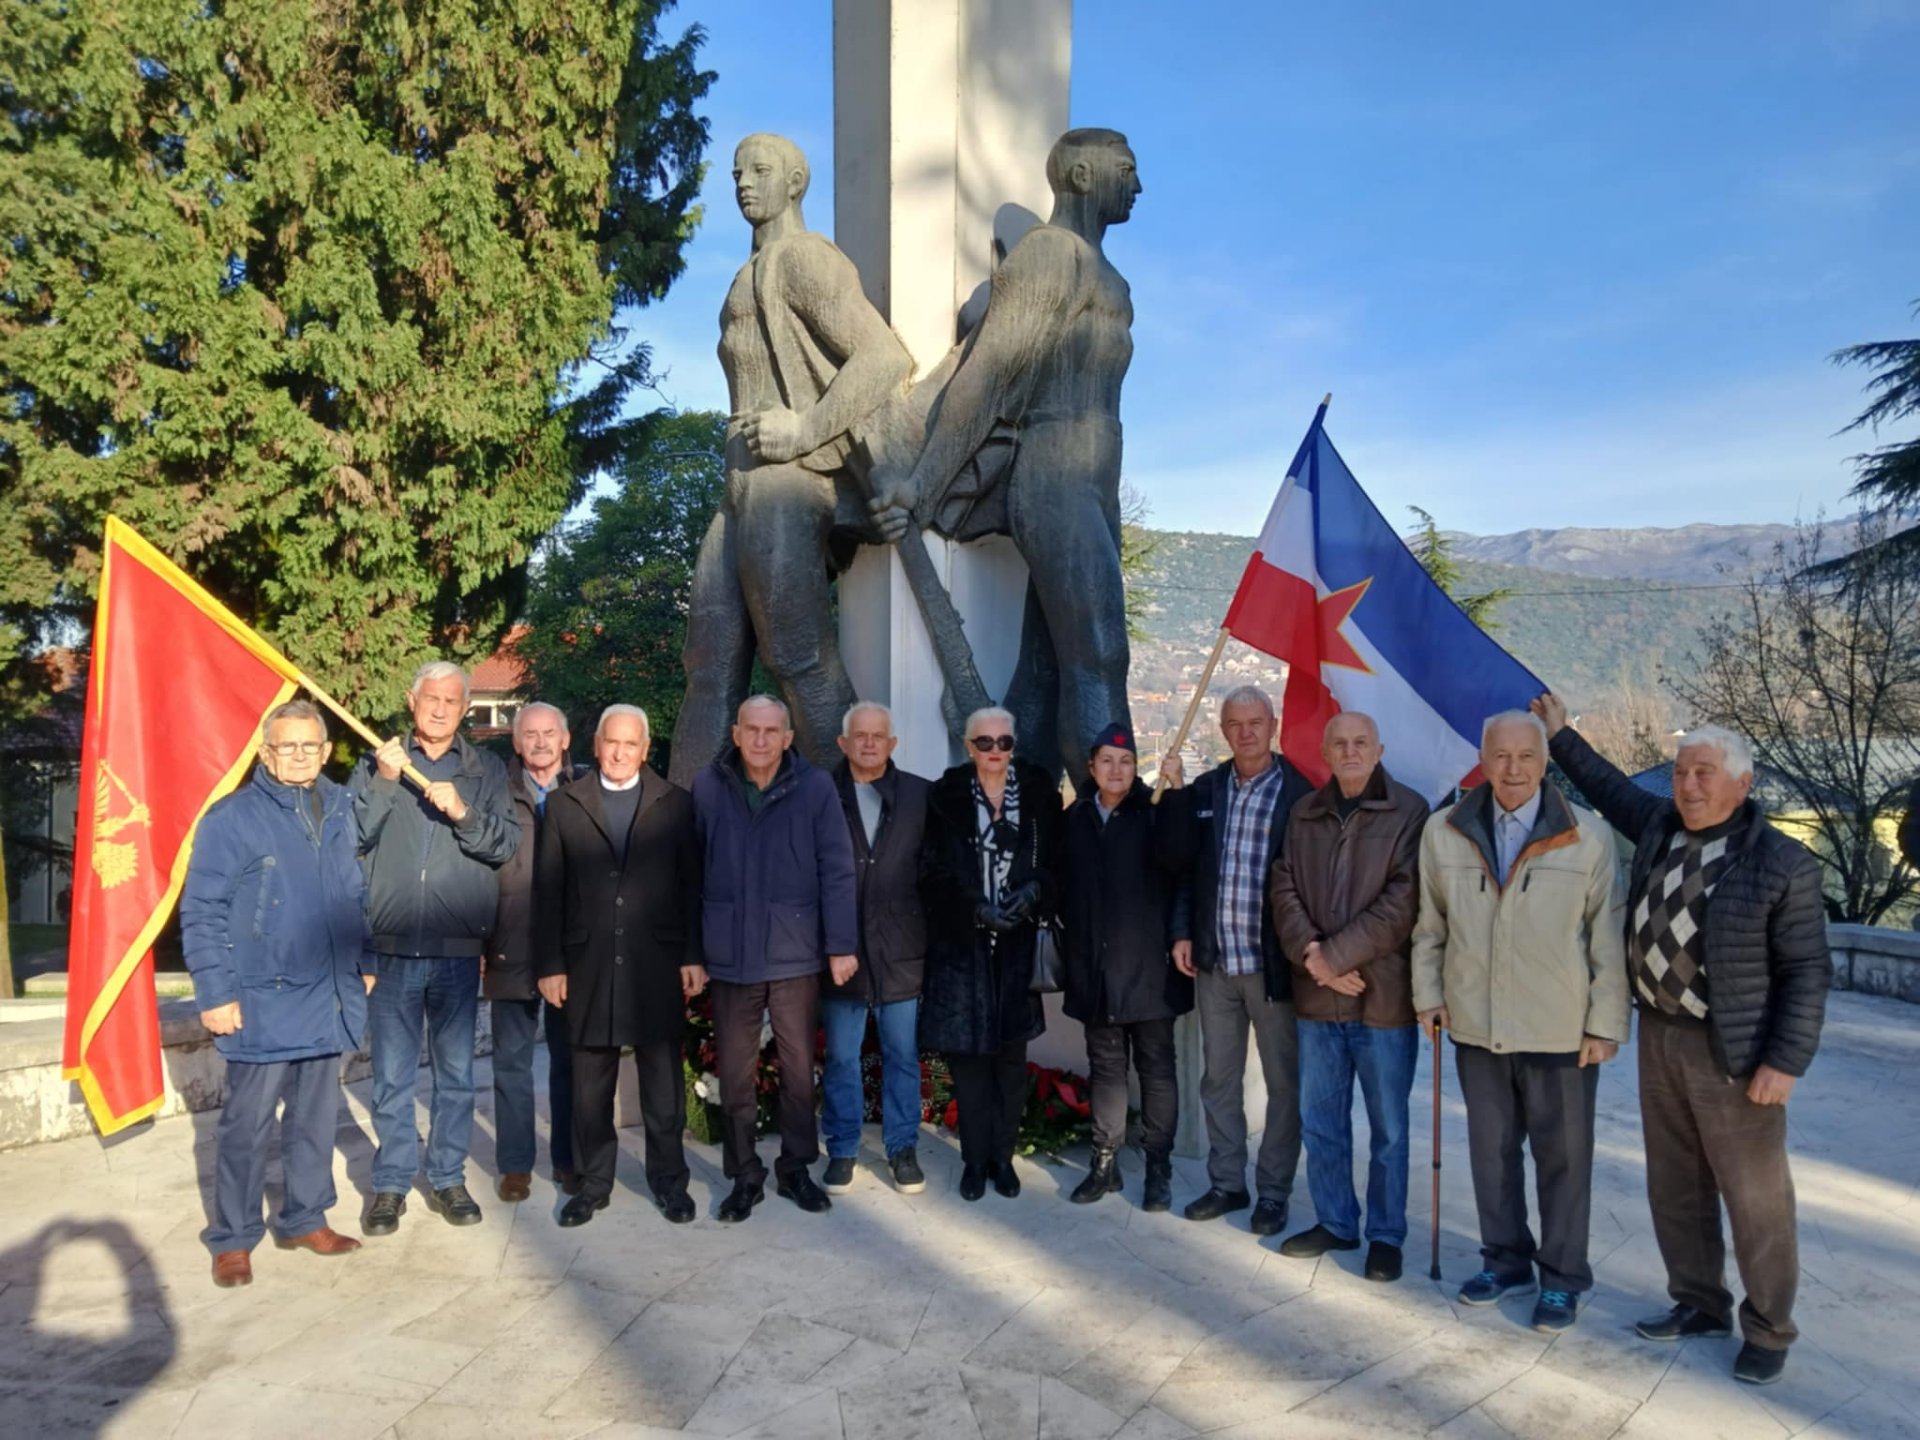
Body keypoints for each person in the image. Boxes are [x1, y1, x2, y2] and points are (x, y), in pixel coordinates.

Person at [1535, 694, 1830, 1384]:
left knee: (1755, 1200)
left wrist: (1784, 1062)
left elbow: (1808, 972)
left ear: (1742, 784)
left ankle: (1769, 1328)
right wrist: (1561, 737)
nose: (1689, 786)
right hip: (1661, 1036)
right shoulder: (1662, 827)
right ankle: (1697, 1301)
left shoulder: (1781, 864)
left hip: (1735, 1053)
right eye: (1681, 773)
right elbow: (1609, 790)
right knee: (1676, 1188)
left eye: (1704, 774)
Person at [870, 130, 1143, 774]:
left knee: (1047, 670)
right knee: (1100, 649)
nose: (1138, 186)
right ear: (1080, 173)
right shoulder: (1050, 255)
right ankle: (1112, 824)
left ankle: (1027, 824)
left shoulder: (1112, 279)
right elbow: (987, 376)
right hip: (1053, 474)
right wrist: (922, 487)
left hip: (1096, 480)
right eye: (1126, 170)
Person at [670, 134, 915, 779]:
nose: (744, 183)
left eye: (760, 170)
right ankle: (684, 831)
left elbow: (884, 357)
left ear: (797, 181)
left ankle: (854, 811)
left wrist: (805, 430)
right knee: (708, 660)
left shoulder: (806, 258)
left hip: (785, 482)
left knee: (796, 657)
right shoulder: (744, 275)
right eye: (736, 173)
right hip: (739, 487)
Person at [1411, 710, 1628, 1333]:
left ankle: (1561, 1278)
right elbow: (1429, 929)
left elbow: (1607, 940)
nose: (1512, 770)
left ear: (1544, 761)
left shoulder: (1588, 837)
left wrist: (1604, 1024)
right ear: (1483, 759)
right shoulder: (1443, 832)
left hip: (1560, 1030)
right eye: (1500, 757)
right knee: (1491, 1155)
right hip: (1476, 1025)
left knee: (1563, 1161)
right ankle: (1504, 1261)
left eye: (1525, 757)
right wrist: (1428, 997)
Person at [181, 700, 373, 1287]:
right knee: (248, 1123)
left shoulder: (343, 807)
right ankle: (233, 1238)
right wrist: (215, 991)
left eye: (309, 745)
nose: (298, 756)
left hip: (328, 991)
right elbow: (202, 910)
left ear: (326, 750)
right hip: (260, 997)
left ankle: (304, 1218)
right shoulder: (231, 818)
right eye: (286, 746)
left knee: (317, 1117)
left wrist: (364, 961)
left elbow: (355, 893)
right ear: (265, 753)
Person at [352, 661, 519, 1235]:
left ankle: (447, 1176)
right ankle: (392, 1183)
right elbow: (352, 836)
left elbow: (505, 845)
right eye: (432, 698)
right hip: (392, 950)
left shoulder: (487, 770)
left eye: (452, 700)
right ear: (412, 700)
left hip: (454, 952)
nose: (441, 708)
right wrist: (382, 781)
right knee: (392, 1078)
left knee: (455, 1076)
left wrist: (463, 813)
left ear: (465, 708)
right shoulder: (379, 764)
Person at [1269, 712, 1429, 1282]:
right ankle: (1336, 1221)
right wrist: (1314, 955)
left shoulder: (1411, 812)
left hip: (1383, 1002)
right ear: (1327, 752)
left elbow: (1403, 903)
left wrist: (1333, 957)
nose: (1351, 750)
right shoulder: (1304, 811)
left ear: (1379, 748)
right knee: (1322, 1122)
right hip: (1317, 1002)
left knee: (1388, 1128)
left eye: (1361, 741)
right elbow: (1283, 886)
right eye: (1340, 743)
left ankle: (1386, 1234)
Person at [535, 706, 703, 1228]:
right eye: (612, 742)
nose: (620, 752)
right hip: (588, 964)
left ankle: (669, 1182)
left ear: (645, 749)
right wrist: (550, 964)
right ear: (596, 742)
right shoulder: (564, 805)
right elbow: (548, 891)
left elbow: (694, 888)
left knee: (662, 1089)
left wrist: (695, 955)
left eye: (631, 744)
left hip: (658, 962)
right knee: (589, 1088)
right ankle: (591, 1185)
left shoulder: (676, 804)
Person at [692, 694, 857, 1221]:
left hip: (795, 954)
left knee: (796, 1071)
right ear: (736, 733)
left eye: (772, 731)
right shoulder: (708, 786)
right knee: (736, 1075)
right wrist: (692, 953)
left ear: (788, 738)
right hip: (730, 954)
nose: (761, 740)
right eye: (752, 730)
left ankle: (795, 1169)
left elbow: (836, 868)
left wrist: (841, 945)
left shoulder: (814, 788)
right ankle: (744, 1176)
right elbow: (688, 874)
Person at [1157, 686, 1314, 1234]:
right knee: (1217, 1081)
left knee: (1283, 1087)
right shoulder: (1207, 789)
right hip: (1216, 964)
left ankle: (1273, 1191)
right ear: (1222, 731)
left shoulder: (1302, 794)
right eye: (1234, 724)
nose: (1245, 732)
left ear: (1271, 725)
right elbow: (1185, 871)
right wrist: (1182, 932)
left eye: (1255, 722)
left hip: (1274, 968)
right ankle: (1227, 1183)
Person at [920, 707, 1062, 1201]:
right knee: (970, 1065)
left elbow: (1058, 864)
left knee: (1010, 1062)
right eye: (985, 743)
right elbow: (931, 873)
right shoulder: (946, 796)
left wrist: (1036, 890)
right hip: (964, 949)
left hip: (1018, 949)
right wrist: (976, 910)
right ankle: (974, 1161)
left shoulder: (1040, 792)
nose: (995, 752)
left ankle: (1003, 1159)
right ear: (968, 746)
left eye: (1004, 742)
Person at [1057, 722, 1192, 1210]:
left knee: (1157, 1069)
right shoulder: (1074, 820)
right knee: (1106, 1069)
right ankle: (1105, 1162)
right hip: (1095, 970)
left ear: (1137, 769)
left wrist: (1177, 790)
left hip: (1151, 971)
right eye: (1107, 761)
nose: (1117, 770)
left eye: (1127, 761)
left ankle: (1159, 1165)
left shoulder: (1154, 812)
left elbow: (1182, 861)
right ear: (1091, 768)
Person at [821, 702, 931, 1195]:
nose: (868, 743)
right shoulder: (820, 794)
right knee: (842, 1057)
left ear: (892, 744)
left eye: (877, 736)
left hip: (901, 950)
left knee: (902, 1055)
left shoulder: (919, 796)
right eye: (859, 735)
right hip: (840, 952)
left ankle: (902, 1148)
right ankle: (842, 1148)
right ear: (843, 743)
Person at [488, 702, 585, 1203]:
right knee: (511, 1062)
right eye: (531, 734)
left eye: (550, 733)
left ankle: (568, 1160)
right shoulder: (494, 793)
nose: (541, 742)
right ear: (516, 741)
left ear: (566, 739)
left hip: (570, 953)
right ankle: (515, 1164)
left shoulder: (585, 790)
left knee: (569, 1061)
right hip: (510, 943)